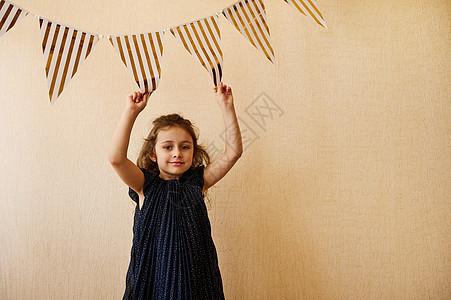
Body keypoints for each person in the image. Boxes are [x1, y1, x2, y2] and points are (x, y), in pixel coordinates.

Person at [109, 82, 242, 299]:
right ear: (153, 154)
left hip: (196, 285)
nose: (177, 153)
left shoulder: (198, 183)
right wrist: (131, 112)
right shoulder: (145, 185)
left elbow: (233, 152)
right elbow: (116, 158)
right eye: (168, 147)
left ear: (194, 152)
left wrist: (227, 106)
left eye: (185, 146)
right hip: (154, 283)